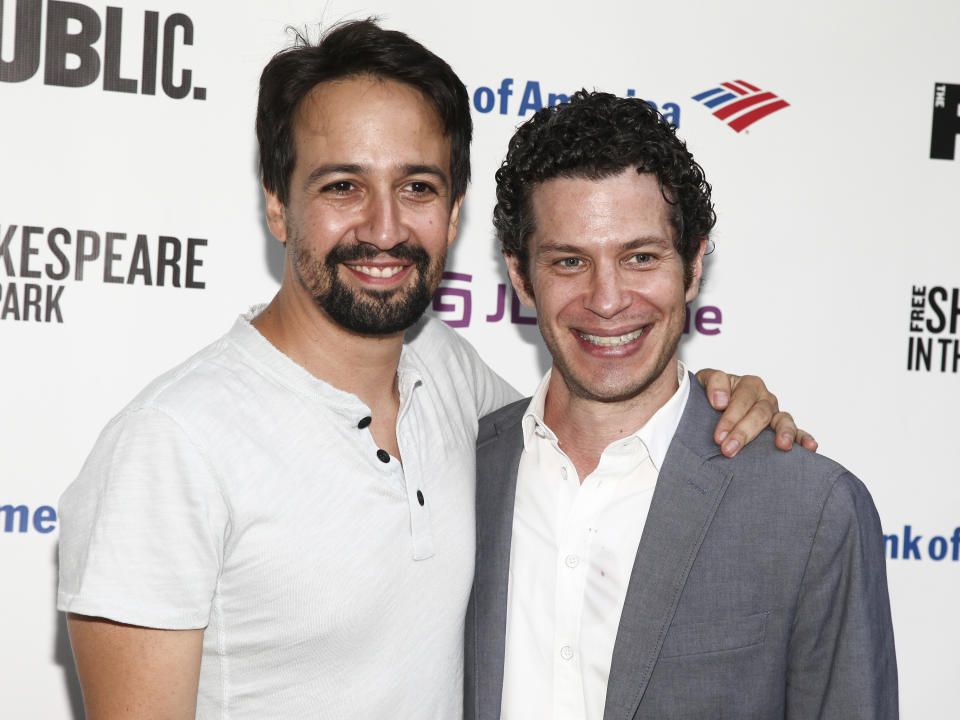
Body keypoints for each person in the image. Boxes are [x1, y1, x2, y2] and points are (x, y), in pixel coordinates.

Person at [58, 21, 813, 720]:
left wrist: (717, 400)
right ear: (278, 207)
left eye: (417, 186)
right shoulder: (167, 450)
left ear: (453, 217)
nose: (385, 228)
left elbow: (595, 422)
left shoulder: (450, 377)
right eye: (342, 186)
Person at [464, 90, 898, 720]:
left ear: (693, 265)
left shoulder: (811, 511)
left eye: (641, 257)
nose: (607, 299)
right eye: (569, 261)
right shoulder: (456, 474)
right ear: (521, 275)